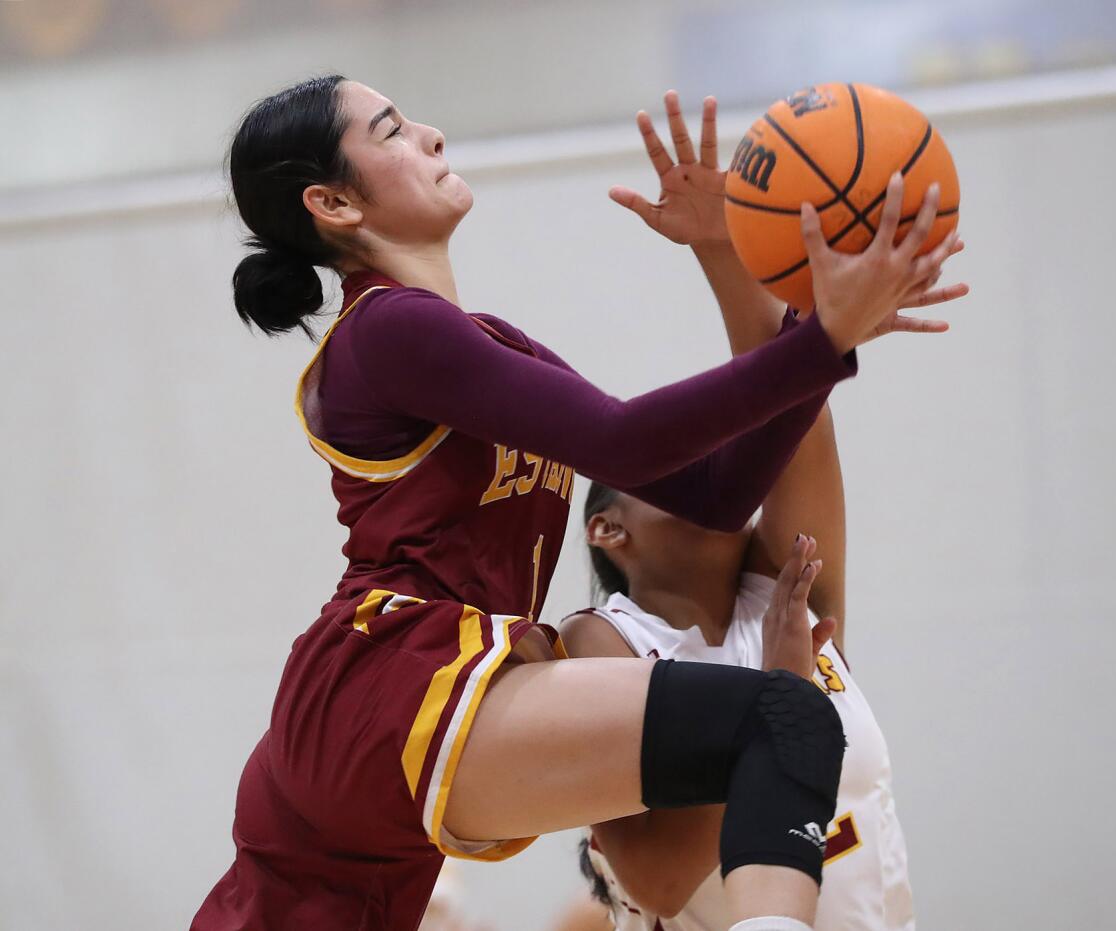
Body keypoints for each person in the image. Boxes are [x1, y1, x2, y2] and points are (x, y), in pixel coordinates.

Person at [191, 75, 964, 931]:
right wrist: (821, 340)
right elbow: (626, 441)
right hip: (388, 671)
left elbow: (716, 492)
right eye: (394, 132)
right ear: (333, 202)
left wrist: (791, 312)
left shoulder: (486, 342)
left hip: (402, 697)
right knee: (783, 717)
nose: (434, 134)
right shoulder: (385, 328)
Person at [562, 92, 957, 931]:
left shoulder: (781, 592)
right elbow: (661, 878)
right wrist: (778, 691)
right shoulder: (604, 642)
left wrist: (727, 249)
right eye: (676, 462)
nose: (720, 464)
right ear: (608, 528)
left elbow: (788, 411)